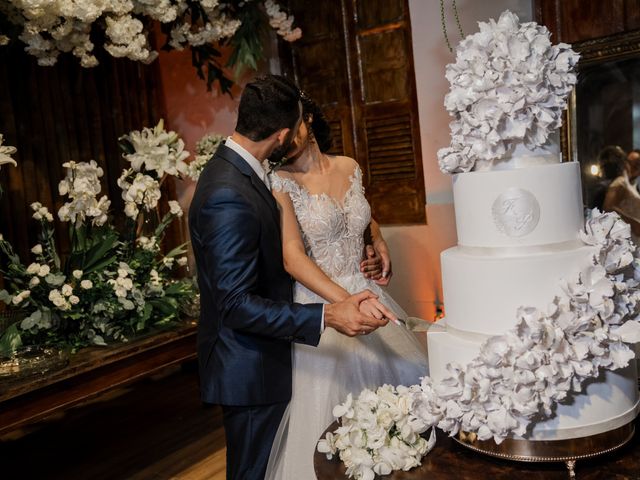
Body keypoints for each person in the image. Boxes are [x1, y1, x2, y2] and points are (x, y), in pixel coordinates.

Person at [188, 75, 391, 480]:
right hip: (251, 361)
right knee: (258, 470)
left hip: (272, 346)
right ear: (282, 133)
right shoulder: (231, 190)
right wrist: (328, 314)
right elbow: (235, 303)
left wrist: (374, 239)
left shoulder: (244, 172)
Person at [264, 94, 429, 479]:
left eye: (291, 123)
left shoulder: (350, 166)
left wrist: (380, 242)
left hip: (368, 291)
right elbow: (292, 256)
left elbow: (360, 219)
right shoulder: (280, 182)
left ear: (308, 120)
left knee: (401, 407)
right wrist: (346, 300)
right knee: (338, 421)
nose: (285, 135)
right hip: (325, 302)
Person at [603, 148, 640, 242]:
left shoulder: (631, 185)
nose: (631, 166)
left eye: (637, 164)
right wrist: (634, 224)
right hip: (626, 235)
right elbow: (608, 208)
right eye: (630, 162)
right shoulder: (620, 182)